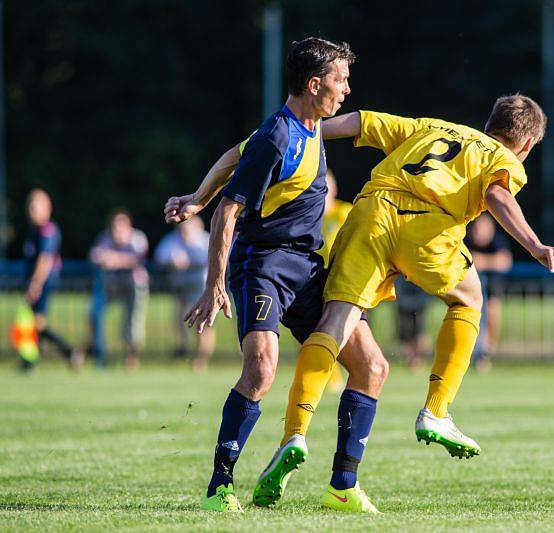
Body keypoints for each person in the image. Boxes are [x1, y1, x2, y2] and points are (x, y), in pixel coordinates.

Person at [280, 95, 554, 478]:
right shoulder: (501, 157)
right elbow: (496, 194)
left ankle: (294, 434)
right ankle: (436, 410)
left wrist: (304, 130)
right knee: (470, 298)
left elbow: (360, 121)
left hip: (371, 213)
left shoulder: (431, 126)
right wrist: (535, 246)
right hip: (427, 227)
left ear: (491, 123)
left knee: (336, 321)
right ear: (526, 145)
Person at [163, 38, 388, 513]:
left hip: (308, 270)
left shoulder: (311, 129)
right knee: (262, 368)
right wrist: (213, 283)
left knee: (372, 366)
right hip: (262, 265)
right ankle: (220, 486)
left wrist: (195, 196)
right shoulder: (279, 136)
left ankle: (342, 486)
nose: (347, 89)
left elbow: (232, 155)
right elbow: (229, 214)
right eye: (340, 80)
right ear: (314, 84)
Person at [20, 189, 83, 371]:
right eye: (29, 207)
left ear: (47, 208)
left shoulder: (47, 230)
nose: (31, 211)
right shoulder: (35, 230)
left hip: (44, 281)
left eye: (35, 207)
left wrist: (35, 283)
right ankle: (30, 362)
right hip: (37, 281)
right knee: (33, 322)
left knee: (37, 323)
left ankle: (69, 352)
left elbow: (45, 259)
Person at [88, 209, 149, 370]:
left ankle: (131, 358)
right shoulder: (105, 238)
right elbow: (95, 256)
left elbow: (137, 258)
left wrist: (114, 259)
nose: (118, 231)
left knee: (132, 323)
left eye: (121, 227)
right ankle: (98, 355)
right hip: (112, 286)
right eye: (115, 227)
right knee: (94, 313)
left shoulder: (138, 238)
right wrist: (119, 260)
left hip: (135, 287)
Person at [154, 217, 215, 373]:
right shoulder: (173, 240)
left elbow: (214, 257)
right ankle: (183, 349)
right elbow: (160, 256)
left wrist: (190, 260)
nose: (184, 233)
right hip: (181, 289)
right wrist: (172, 261)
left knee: (203, 324)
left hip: (202, 289)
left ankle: (201, 359)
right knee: (180, 319)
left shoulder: (204, 239)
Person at [465, 213, 513, 372]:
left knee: (492, 311)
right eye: (478, 228)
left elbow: (505, 261)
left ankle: (486, 352)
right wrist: (490, 261)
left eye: (485, 228)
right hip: (468, 289)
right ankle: (470, 353)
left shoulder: (497, 241)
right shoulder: (465, 239)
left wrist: (481, 261)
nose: (481, 232)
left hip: (492, 287)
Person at [319, 168, 352, 393]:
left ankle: (344, 376)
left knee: (341, 331)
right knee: (317, 330)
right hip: (315, 279)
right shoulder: (309, 215)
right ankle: (329, 377)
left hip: (342, 279)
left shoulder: (343, 212)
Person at [394, 277, 432, 371]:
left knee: (418, 332)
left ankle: (417, 359)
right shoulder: (401, 273)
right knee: (407, 332)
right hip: (404, 304)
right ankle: (411, 359)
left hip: (418, 304)